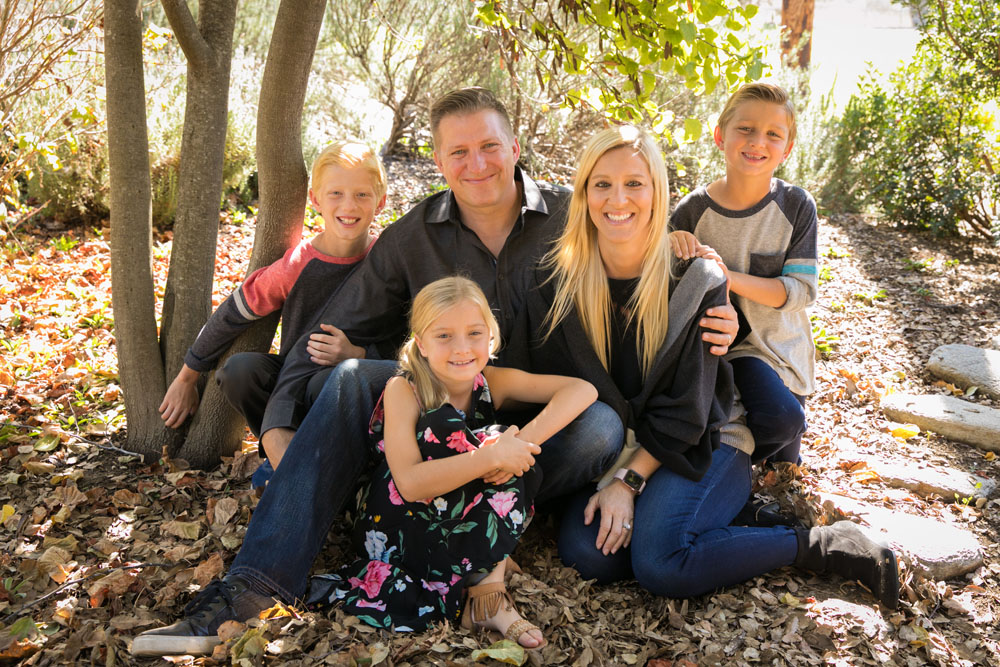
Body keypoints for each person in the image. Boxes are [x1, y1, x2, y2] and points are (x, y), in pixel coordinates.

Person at [131, 88, 740, 658]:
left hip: (527, 413)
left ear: (514, 148)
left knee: (601, 427)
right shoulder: (414, 235)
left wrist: (704, 269)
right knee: (345, 379)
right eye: (459, 152)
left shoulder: (573, 212)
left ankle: (469, 526)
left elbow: (640, 239)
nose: (477, 164)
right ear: (439, 160)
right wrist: (277, 426)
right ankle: (250, 589)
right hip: (441, 409)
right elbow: (323, 333)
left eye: (489, 147)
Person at [510, 125, 899, 611]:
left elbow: (689, 409)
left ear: (657, 192)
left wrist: (626, 484)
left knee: (660, 563)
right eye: (602, 183)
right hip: (619, 444)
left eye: (635, 183)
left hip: (703, 439)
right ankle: (729, 515)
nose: (618, 199)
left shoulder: (696, 281)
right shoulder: (553, 281)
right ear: (584, 191)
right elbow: (522, 379)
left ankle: (824, 545)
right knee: (592, 558)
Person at [307, 276, 596, 648]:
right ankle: (487, 577)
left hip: (462, 516)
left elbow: (582, 390)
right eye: (444, 336)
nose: (462, 348)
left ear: (490, 338)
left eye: (475, 333)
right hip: (399, 526)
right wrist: (490, 456)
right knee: (464, 433)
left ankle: (487, 593)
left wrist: (517, 446)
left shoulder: (491, 381)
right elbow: (409, 483)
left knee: (507, 442)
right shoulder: (404, 389)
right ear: (421, 343)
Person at [158, 141, 386, 465]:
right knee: (239, 371)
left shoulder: (386, 263)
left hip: (358, 384)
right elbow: (232, 313)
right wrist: (187, 378)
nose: (348, 205)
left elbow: (412, 342)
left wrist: (360, 355)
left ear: (381, 202)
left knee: (328, 381)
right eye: (336, 193)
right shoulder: (299, 263)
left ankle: (340, 467)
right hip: (292, 381)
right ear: (316, 200)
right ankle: (283, 452)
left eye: (362, 194)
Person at [668, 82, 815, 464]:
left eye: (772, 134)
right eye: (745, 129)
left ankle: (752, 464)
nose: (757, 142)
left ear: (787, 150)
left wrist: (726, 275)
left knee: (784, 431)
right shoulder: (692, 211)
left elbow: (800, 291)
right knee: (773, 426)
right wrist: (670, 246)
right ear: (720, 135)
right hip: (721, 351)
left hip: (780, 353)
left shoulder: (796, 206)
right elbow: (664, 285)